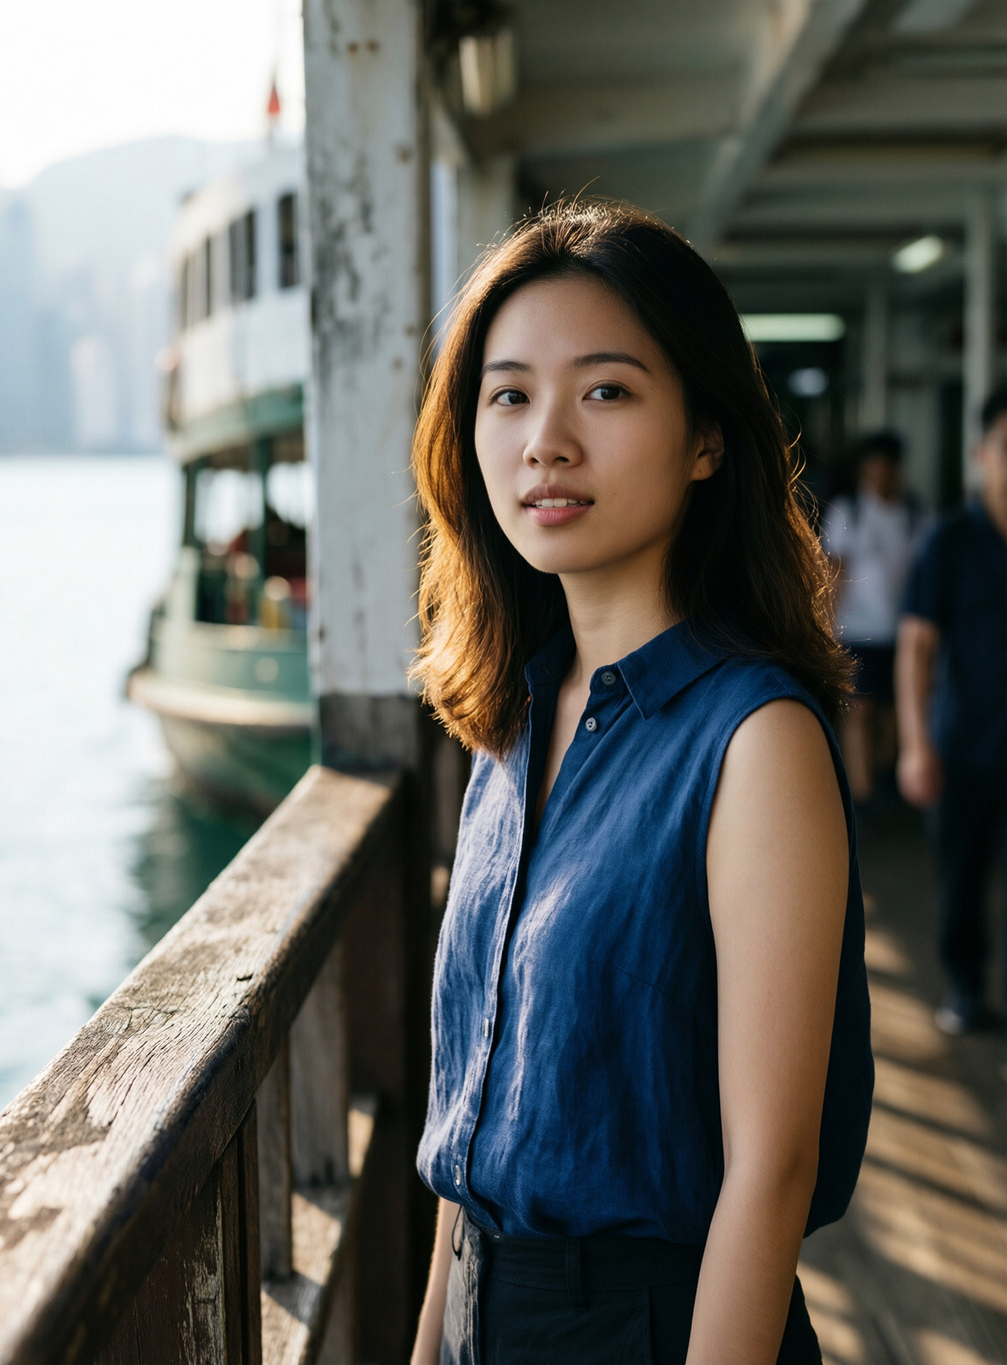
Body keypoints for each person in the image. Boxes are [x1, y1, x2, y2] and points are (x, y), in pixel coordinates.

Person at [409, 202, 873, 1365]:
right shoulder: (510, 723)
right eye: (508, 394)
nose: (544, 442)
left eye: (604, 392)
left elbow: (770, 1173)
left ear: (707, 437)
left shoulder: (751, 741)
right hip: (479, 1313)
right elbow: (471, 1128)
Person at [897, 386, 1007, 1037]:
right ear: (981, 454)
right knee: (963, 879)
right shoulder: (951, 540)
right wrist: (915, 744)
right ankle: (966, 988)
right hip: (964, 742)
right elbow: (916, 644)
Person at [821, 432, 928, 806]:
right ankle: (863, 795)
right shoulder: (848, 512)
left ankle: (885, 778)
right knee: (860, 712)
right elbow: (835, 573)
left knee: (894, 713)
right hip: (857, 630)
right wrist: (826, 630)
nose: (880, 476)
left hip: (902, 631)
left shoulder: (916, 515)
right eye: (873, 468)